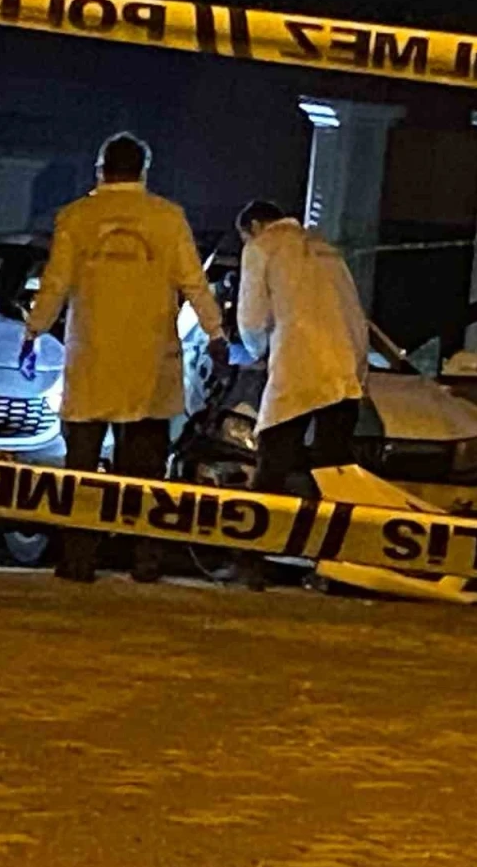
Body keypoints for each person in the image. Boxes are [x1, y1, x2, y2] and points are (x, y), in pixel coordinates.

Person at [27, 132, 226, 583]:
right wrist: (215, 333)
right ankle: (145, 559)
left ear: (101, 170)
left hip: (91, 361)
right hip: (150, 365)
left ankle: (79, 559)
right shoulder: (168, 218)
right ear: (144, 171)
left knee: (82, 472)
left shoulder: (76, 217)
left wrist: (33, 331)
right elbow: (194, 283)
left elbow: (55, 284)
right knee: (145, 474)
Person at [235, 201, 368, 495]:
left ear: (254, 226)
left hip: (297, 362)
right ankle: (340, 516)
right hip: (344, 368)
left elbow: (252, 317)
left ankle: (266, 515)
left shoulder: (262, 246)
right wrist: (358, 367)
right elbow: (353, 312)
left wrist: (257, 349)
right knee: (334, 463)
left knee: (274, 451)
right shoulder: (325, 249)